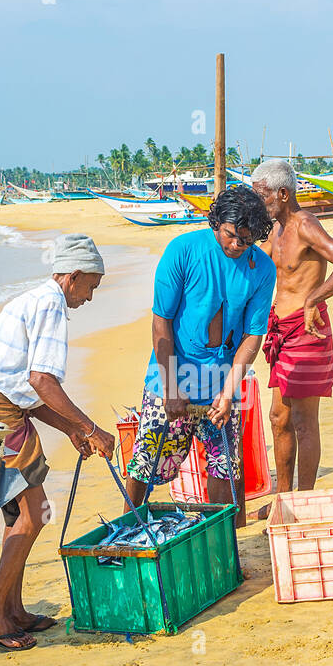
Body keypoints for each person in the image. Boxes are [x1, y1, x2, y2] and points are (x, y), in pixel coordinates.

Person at [0, 233, 116, 651]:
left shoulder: (34, 300)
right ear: (75, 276)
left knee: (18, 516)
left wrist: (71, 429)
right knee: (33, 515)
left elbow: (26, 390)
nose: (90, 297)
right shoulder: (50, 305)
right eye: (91, 287)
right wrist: (90, 428)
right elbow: (41, 381)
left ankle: (11, 609)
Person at [123, 186, 276, 528]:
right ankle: (126, 534)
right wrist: (171, 385)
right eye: (232, 236)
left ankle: (226, 546)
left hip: (222, 383)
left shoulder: (262, 268)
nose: (237, 245)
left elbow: (253, 335)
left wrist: (228, 391)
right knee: (147, 462)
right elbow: (161, 321)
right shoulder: (182, 250)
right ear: (216, 221)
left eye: (247, 240)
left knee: (227, 466)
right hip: (172, 378)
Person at [249, 159, 333, 518]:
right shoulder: (273, 230)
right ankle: (283, 501)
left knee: (302, 419)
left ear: (283, 194)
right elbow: (253, 265)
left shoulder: (305, 224)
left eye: (262, 197)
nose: (259, 203)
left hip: (307, 330)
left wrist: (316, 297)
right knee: (278, 418)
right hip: (280, 333)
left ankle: (303, 501)